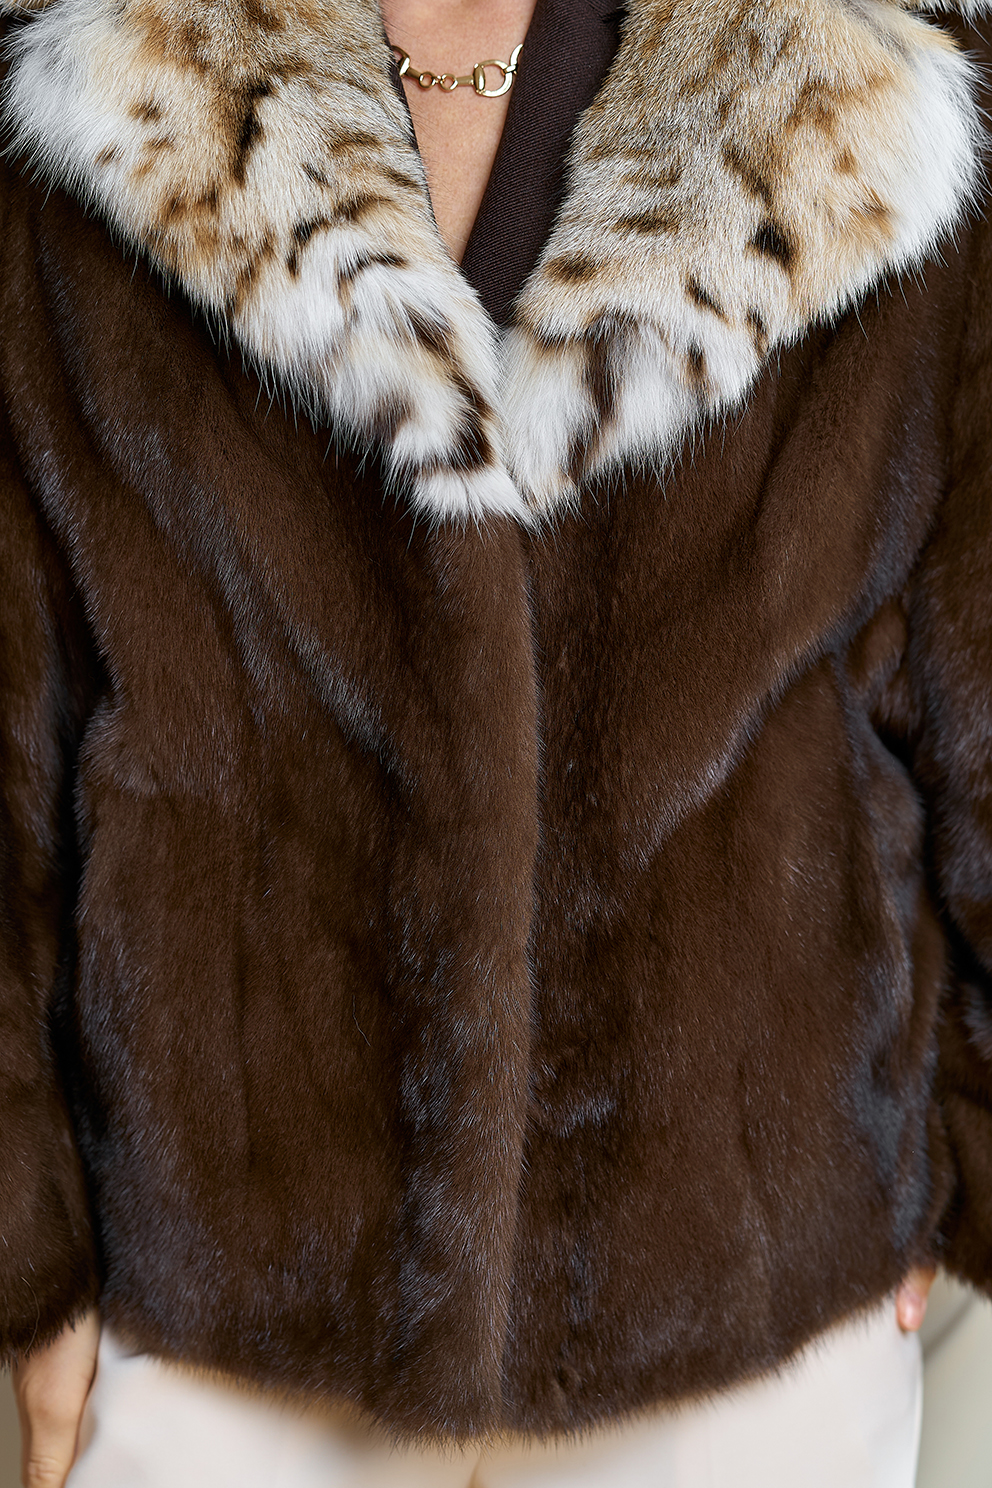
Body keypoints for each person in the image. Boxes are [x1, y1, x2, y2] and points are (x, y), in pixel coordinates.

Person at [1, 0, 990, 1482]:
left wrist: (960, 1158)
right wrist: (30, 1266)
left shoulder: (863, 83)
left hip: (748, 1324)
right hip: (218, 1312)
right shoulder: (100, 90)